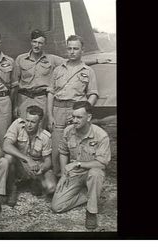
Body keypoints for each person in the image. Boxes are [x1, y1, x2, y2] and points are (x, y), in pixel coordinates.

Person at [51, 101, 111, 230]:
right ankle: (89, 193)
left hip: (91, 171)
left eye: (79, 117)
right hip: (75, 174)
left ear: (88, 117)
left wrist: (78, 164)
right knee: (57, 206)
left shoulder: (101, 135)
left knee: (96, 173)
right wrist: (63, 174)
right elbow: (63, 152)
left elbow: (102, 163)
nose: (74, 120)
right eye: (73, 117)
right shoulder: (68, 131)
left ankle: (91, 211)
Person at [47, 35, 99, 177]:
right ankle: (59, 178)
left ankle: (78, 179)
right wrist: (50, 115)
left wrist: (83, 111)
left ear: (82, 50)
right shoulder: (58, 70)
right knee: (57, 146)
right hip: (58, 110)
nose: (72, 51)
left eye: (76, 48)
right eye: (69, 48)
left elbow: (93, 94)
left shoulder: (88, 71)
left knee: (77, 145)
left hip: (76, 111)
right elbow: (51, 93)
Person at [3, 105, 57, 203]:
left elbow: (48, 160)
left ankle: (33, 182)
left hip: (35, 166)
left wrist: (42, 169)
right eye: (27, 120)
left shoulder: (45, 136)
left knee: (51, 188)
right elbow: (6, 145)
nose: (28, 124)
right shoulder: (17, 124)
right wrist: (28, 159)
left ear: (39, 122)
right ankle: (12, 188)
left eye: (33, 122)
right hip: (20, 163)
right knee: (8, 157)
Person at [12, 29, 64, 128]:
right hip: (24, 99)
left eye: (40, 43)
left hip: (41, 99)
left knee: (39, 129)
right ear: (31, 42)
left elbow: (70, 63)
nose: (37, 45)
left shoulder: (51, 59)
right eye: (34, 42)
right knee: (23, 129)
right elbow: (15, 85)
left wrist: (96, 60)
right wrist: (15, 106)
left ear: (44, 44)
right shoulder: (20, 59)